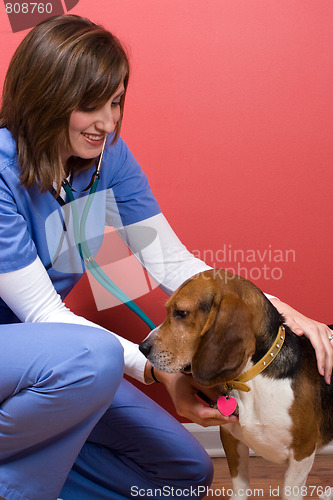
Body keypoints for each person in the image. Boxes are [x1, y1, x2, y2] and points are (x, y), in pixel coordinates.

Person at [0, 14, 332, 500]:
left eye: (115, 102)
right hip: (38, 351)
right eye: (90, 106)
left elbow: (173, 264)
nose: (109, 122)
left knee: (180, 476)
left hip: (58, 368)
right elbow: (42, 315)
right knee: (94, 357)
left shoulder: (107, 157)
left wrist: (280, 308)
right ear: (45, 96)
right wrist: (158, 370)